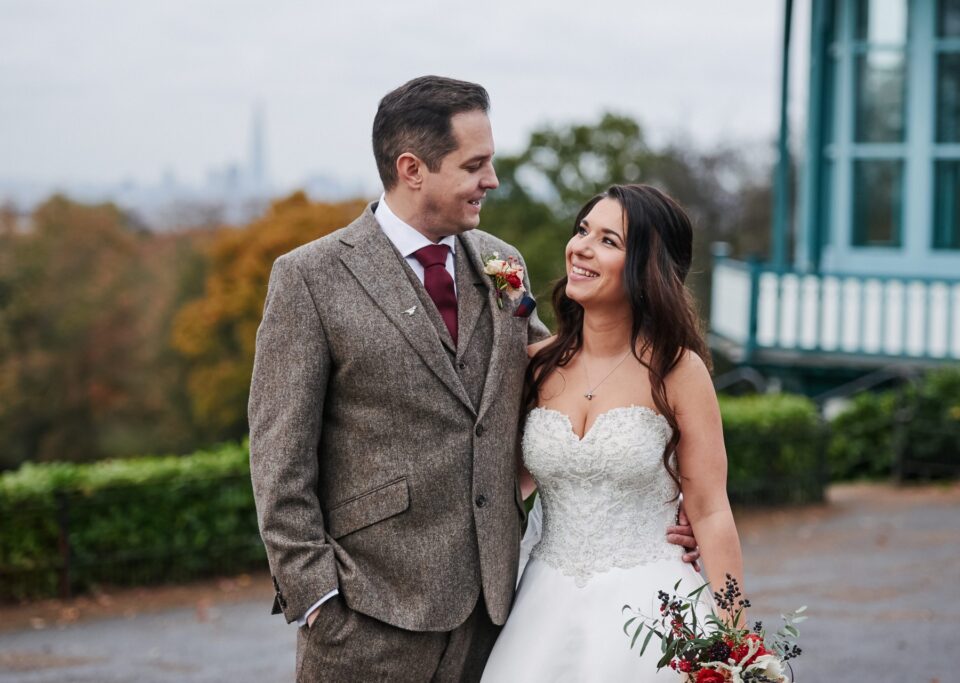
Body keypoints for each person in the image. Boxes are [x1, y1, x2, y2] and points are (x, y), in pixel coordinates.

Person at [249, 76, 700, 681]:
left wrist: (666, 493)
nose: (491, 180)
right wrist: (318, 599)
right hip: (366, 616)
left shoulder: (499, 262)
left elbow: (568, 377)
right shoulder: (310, 278)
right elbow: (279, 459)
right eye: (475, 165)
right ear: (413, 168)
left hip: (497, 616)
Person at [481, 184, 744, 681]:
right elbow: (499, 486)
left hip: (653, 613)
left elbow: (710, 510)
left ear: (647, 268)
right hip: (543, 603)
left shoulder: (678, 371)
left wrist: (736, 643)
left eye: (608, 240)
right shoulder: (535, 364)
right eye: (582, 230)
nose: (580, 246)